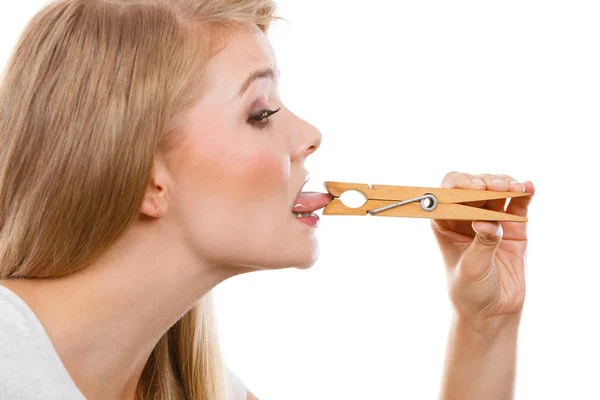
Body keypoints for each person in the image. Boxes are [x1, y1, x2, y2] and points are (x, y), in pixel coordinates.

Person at [0, 0, 535, 399]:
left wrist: (486, 325)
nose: (310, 135)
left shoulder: (197, 388)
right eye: (260, 113)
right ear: (146, 178)